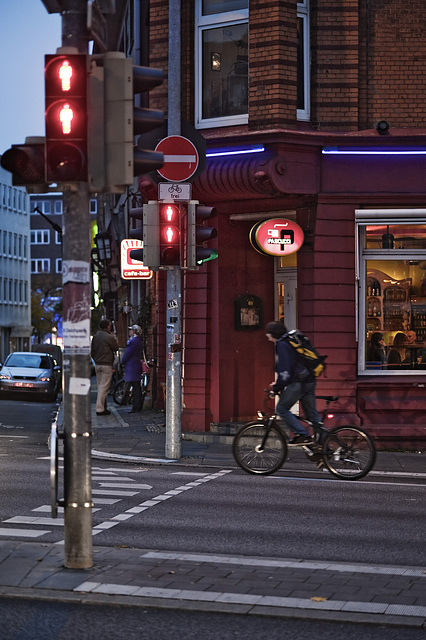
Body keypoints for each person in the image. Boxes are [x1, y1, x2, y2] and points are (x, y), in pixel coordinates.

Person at [265, 321, 325, 445]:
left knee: (281, 409)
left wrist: (276, 387)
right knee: (312, 416)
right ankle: (323, 446)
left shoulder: (282, 344)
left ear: (273, 334)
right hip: (309, 380)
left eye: (268, 333)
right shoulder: (291, 341)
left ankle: (302, 435)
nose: (266, 336)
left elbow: (285, 370)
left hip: (298, 382)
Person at [91, 319, 119, 416]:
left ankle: (103, 407)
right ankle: (100, 409)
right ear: (107, 326)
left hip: (97, 364)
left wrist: (95, 359)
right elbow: (116, 347)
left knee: (100, 386)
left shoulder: (95, 336)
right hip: (106, 364)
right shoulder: (109, 337)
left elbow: (92, 350)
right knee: (104, 387)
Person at [121, 324, 143, 413]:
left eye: (131, 330)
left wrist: (122, 362)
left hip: (132, 365)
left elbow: (128, 353)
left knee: (135, 386)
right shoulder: (137, 341)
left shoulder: (133, 341)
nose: (129, 331)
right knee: (136, 386)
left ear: (134, 331)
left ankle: (136, 406)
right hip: (134, 364)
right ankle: (136, 406)